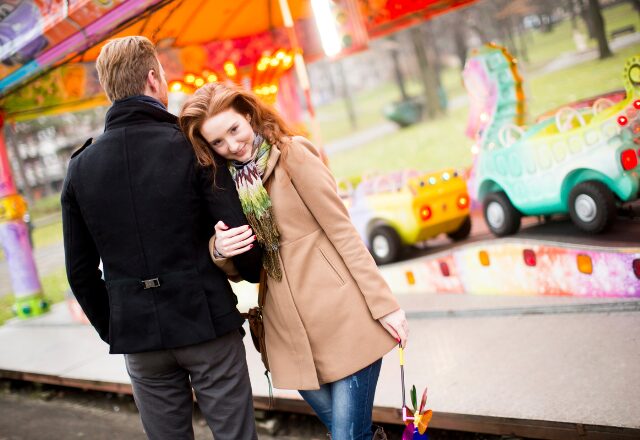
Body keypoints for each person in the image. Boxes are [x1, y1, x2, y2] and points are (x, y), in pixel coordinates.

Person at [179, 83, 409, 440]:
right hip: (287, 331)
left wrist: (385, 305)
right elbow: (243, 268)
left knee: (347, 436)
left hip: (342, 316)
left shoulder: (293, 154)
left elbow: (342, 231)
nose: (232, 145)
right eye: (218, 142)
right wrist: (219, 249)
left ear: (249, 115)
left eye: (234, 130)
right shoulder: (224, 186)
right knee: (348, 432)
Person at [61, 37, 262, 440]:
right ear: (154, 79)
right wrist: (248, 273)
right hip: (206, 324)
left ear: (109, 88)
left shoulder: (80, 169)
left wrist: (118, 328)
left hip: (138, 336)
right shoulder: (191, 147)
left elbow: (80, 274)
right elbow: (240, 238)